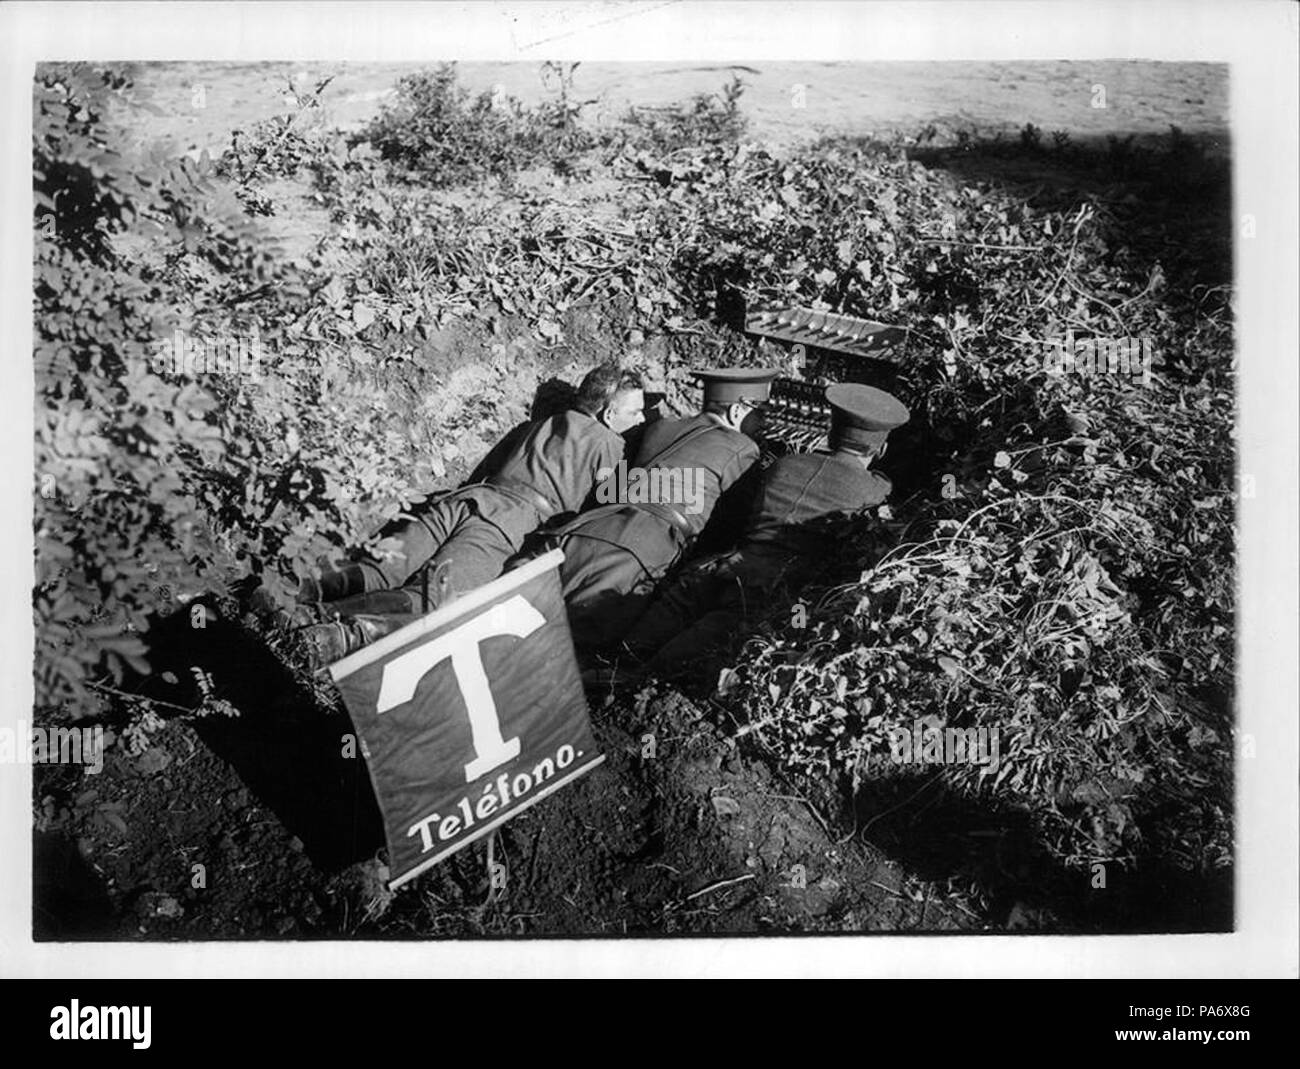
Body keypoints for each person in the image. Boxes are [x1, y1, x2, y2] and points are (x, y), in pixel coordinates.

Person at [295, 362, 646, 665]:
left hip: (465, 500)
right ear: (608, 413)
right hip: (507, 525)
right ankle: (333, 638)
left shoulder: (542, 424)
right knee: (435, 599)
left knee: (382, 568)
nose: (641, 418)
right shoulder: (609, 444)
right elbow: (609, 509)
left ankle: (292, 590)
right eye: (635, 412)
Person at [620, 383, 911, 674]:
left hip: (723, 566)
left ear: (831, 434)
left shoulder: (785, 465)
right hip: (771, 590)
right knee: (669, 665)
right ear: (881, 449)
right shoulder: (874, 493)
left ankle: (613, 670)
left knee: (648, 632)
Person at [554, 367, 778, 652]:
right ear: (737, 412)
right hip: (642, 552)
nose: (764, 423)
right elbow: (731, 527)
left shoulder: (661, 426)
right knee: (579, 654)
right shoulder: (741, 447)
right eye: (760, 413)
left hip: (590, 528)